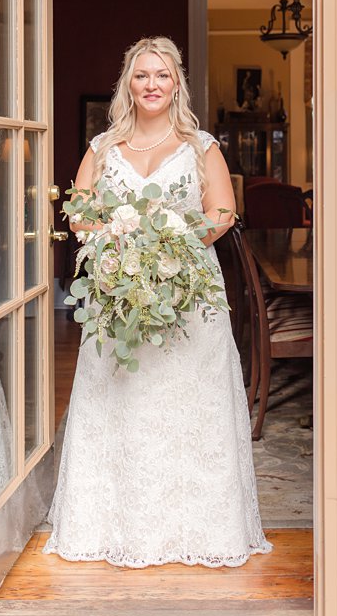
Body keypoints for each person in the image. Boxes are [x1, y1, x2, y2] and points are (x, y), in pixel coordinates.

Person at [42, 36, 271, 568]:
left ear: (176, 84)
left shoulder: (200, 147)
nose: (151, 85)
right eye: (142, 76)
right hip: (119, 294)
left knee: (189, 407)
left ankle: (202, 532)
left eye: (161, 76)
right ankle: (115, 525)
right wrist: (121, 242)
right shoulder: (101, 149)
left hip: (189, 295)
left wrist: (170, 240)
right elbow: (78, 214)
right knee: (122, 400)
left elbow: (221, 214)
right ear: (128, 83)